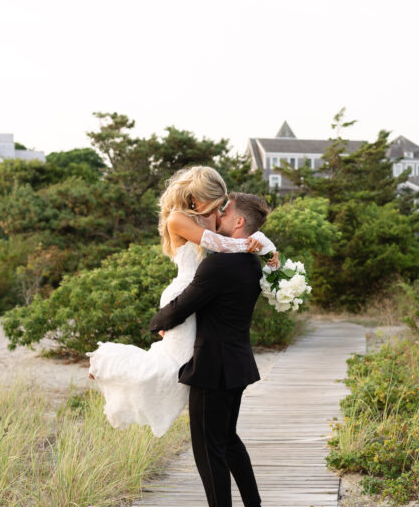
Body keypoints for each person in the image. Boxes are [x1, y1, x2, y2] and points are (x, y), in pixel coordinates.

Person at [87, 167, 278, 435]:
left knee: (189, 361)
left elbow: (239, 232)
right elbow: (223, 245)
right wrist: (259, 246)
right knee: (175, 364)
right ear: (196, 198)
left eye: (221, 204)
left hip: (201, 290)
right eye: (214, 203)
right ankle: (107, 364)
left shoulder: (206, 215)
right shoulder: (177, 218)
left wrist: (264, 244)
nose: (218, 209)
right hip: (185, 290)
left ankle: (208, 426)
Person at [149, 192, 273, 507]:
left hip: (212, 368)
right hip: (235, 364)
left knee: (208, 450)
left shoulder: (220, 265)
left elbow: (182, 307)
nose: (218, 214)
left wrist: (158, 323)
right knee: (227, 439)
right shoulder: (251, 262)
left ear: (238, 223)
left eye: (225, 210)